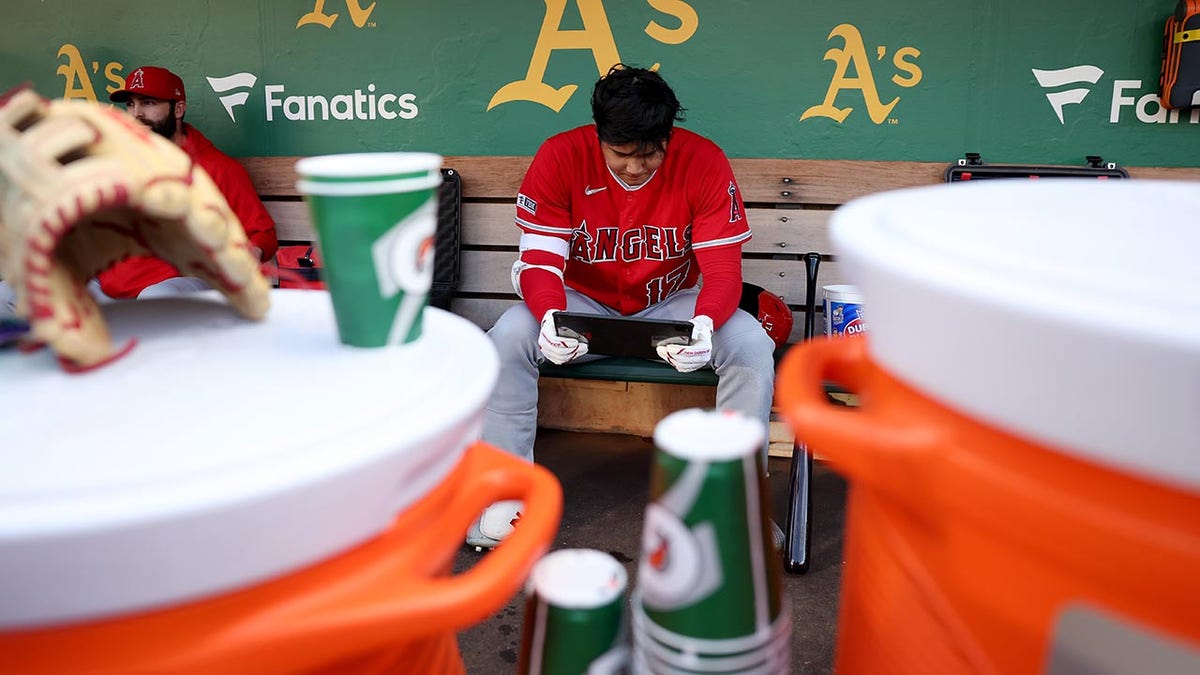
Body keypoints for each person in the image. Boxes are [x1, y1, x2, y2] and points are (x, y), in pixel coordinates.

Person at [470, 65, 779, 550]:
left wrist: (703, 325)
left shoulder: (703, 160)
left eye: (649, 153)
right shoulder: (561, 155)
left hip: (672, 303)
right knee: (508, 337)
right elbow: (539, 263)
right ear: (600, 135)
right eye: (621, 154)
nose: (635, 167)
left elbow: (722, 272)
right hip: (580, 303)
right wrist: (551, 317)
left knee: (749, 345)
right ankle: (508, 498)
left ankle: (735, 510)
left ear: (667, 136)